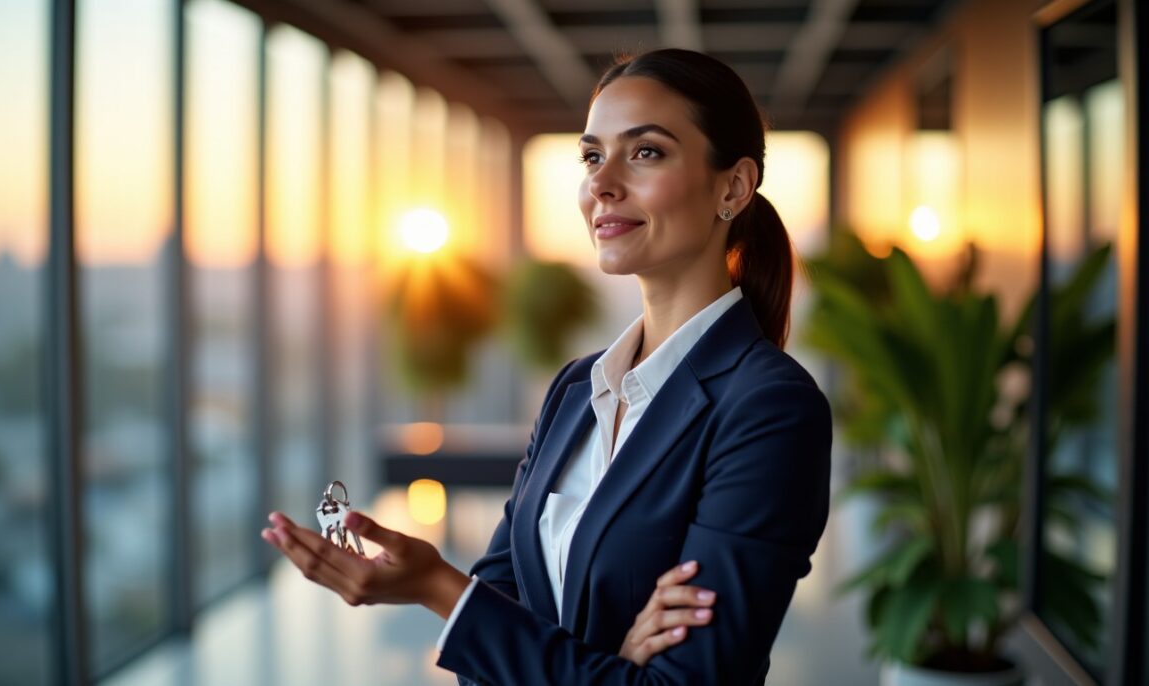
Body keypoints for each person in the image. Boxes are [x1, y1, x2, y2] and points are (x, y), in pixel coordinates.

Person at [262, 48, 832, 685]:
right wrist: (614, 660)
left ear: (733, 186)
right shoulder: (576, 391)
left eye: (645, 152)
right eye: (592, 156)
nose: (602, 184)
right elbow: (500, 610)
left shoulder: (769, 408)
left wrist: (438, 588)